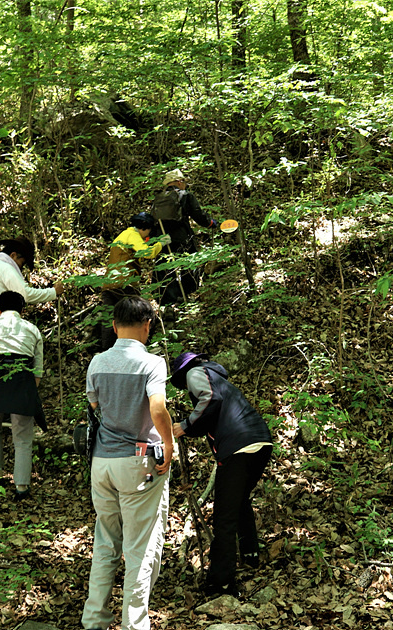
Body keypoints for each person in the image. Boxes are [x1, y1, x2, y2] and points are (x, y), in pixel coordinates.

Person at [81, 296, 174, 630]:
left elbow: (95, 407)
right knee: (141, 545)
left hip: (102, 463)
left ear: (115, 326)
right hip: (138, 463)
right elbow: (158, 408)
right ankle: (134, 624)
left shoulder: (97, 363)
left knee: (106, 539)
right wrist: (168, 441)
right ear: (147, 326)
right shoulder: (152, 363)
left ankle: (94, 618)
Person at [170, 351, 273, 598]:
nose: (186, 388)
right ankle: (250, 555)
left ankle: (222, 584)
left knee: (224, 518)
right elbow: (212, 412)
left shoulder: (196, 373)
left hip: (237, 448)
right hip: (260, 442)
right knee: (238, 502)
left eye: (182, 384)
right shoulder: (219, 378)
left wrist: (183, 426)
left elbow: (209, 399)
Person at [0, 236, 62, 441]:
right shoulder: (5, 268)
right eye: (22, 263)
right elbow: (23, 294)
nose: (22, 268)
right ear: (13, 255)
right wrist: (53, 292)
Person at [0, 291, 44, 501]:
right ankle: (22, 485)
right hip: (22, 380)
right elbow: (38, 370)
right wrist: (30, 391)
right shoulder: (32, 329)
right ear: (23, 311)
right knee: (22, 437)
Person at [95, 213, 168, 352]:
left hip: (109, 285)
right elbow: (146, 253)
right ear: (145, 227)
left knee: (110, 318)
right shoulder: (132, 235)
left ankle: (106, 351)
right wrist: (161, 243)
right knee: (142, 313)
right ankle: (149, 344)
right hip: (124, 283)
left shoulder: (122, 235)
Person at [151, 169, 218, 304]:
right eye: (184, 182)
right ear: (179, 182)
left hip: (162, 239)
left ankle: (167, 302)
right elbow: (198, 214)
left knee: (165, 267)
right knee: (189, 263)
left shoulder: (158, 199)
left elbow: (152, 220)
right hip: (182, 237)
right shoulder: (185, 195)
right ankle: (188, 294)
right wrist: (211, 223)